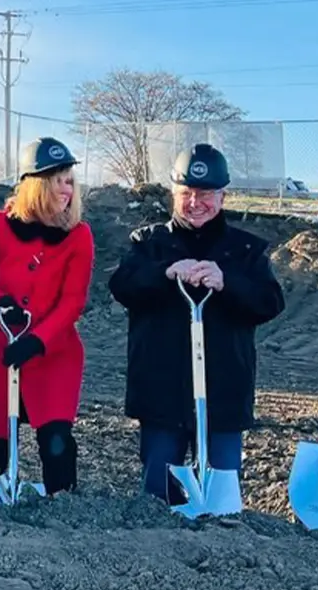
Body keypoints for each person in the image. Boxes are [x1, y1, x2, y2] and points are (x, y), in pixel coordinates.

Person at [107, 143, 285, 505]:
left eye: (205, 194)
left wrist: (227, 282)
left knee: (222, 503)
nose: (195, 202)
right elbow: (122, 286)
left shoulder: (246, 250)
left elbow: (269, 302)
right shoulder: (149, 243)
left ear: (223, 196)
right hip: (161, 392)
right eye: (186, 193)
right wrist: (166, 273)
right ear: (174, 193)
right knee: (158, 499)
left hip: (224, 395)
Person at [0, 137, 94, 497]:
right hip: (2, 346)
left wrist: (38, 339)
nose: (66, 190)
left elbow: (73, 301)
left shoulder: (79, 236)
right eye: (57, 182)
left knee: (56, 438)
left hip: (53, 352)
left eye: (70, 181)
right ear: (36, 186)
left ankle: (62, 501)